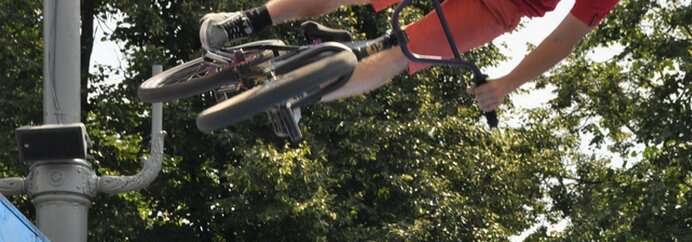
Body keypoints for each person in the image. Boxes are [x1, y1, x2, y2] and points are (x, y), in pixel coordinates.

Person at [200, 0, 619, 111]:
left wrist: (507, 83)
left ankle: (290, 94)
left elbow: (565, 38)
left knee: (406, 52)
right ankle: (243, 23)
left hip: (501, 5)